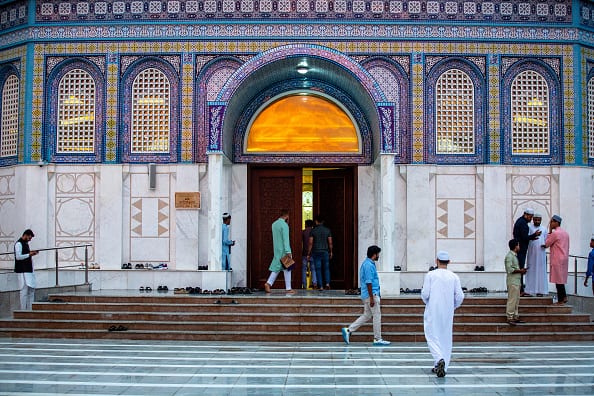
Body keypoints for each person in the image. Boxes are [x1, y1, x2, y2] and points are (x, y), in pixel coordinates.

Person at [421, 251, 464, 378]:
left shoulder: (431, 275)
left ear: (436, 261)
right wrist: (453, 306)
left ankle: (439, 359)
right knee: (445, 337)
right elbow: (460, 296)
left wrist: (428, 302)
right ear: (449, 262)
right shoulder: (454, 276)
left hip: (433, 309)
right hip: (448, 310)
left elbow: (425, 294)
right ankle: (442, 365)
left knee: (431, 335)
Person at [341, 245, 390, 346]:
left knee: (367, 315)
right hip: (371, 295)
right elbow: (369, 282)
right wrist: (372, 297)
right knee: (377, 316)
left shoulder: (368, 264)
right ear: (374, 254)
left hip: (368, 295)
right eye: (378, 254)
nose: (378, 256)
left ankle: (349, 330)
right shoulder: (368, 265)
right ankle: (377, 338)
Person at [264, 209, 295, 294]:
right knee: (286, 268)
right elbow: (286, 239)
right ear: (287, 216)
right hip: (284, 250)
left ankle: (270, 283)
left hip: (277, 249)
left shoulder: (274, 224)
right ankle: (286, 288)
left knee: (280, 268)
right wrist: (288, 251)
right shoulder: (284, 225)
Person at [513, 208, 541, 296]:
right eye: (530, 217)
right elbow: (524, 238)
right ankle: (520, 291)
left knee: (520, 268)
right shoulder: (523, 223)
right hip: (521, 249)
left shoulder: (520, 221)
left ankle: (520, 290)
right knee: (520, 269)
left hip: (520, 248)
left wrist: (532, 237)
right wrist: (534, 235)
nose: (531, 219)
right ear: (526, 214)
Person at [545, 215, 570, 305]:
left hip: (557, 258)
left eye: (552, 222)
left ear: (556, 222)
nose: (551, 224)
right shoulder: (565, 233)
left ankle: (561, 299)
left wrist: (550, 231)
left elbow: (547, 243)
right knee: (561, 278)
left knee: (558, 279)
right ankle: (563, 296)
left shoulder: (555, 233)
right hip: (564, 258)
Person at [14, 229, 38, 310]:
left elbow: (25, 254)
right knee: (24, 290)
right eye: (29, 238)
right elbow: (18, 257)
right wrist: (29, 254)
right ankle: (23, 310)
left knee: (31, 290)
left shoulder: (25, 244)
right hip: (22, 270)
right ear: (26, 235)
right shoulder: (18, 244)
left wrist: (30, 253)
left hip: (28, 270)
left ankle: (30, 309)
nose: (30, 240)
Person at [525, 213, 548, 296]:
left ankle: (540, 291)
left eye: (539, 220)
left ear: (541, 220)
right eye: (535, 219)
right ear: (533, 219)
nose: (537, 221)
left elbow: (546, 240)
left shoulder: (544, 229)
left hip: (541, 253)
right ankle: (530, 290)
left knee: (540, 272)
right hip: (532, 253)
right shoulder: (529, 227)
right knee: (531, 270)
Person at [308, 215, 333, 290]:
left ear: (316, 221)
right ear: (323, 221)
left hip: (316, 252)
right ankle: (328, 284)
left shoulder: (313, 231)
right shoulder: (327, 230)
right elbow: (330, 242)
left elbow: (310, 243)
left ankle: (321, 286)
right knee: (326, 268)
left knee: (318, 269)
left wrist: (308, 253)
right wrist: (331, 251)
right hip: (325, 251)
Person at [505, 239, 525, 326]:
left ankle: (515, 316)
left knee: (516, 300)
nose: (519, 247)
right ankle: (510, 317)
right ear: (515, 246)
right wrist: (520, 271)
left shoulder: (514, 256)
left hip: (516, 281)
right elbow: (509, 269)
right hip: (512, 281)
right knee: (512, 300)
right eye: (518, 245)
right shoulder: (509, 256)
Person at [301, 219, 317, 289]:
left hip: (304, 253)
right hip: (313, 253)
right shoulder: (315, 232)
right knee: (313, 269)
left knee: (304, 269)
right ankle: (314, 283)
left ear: (306, 224)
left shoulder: (303, 232)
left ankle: (304, 285)